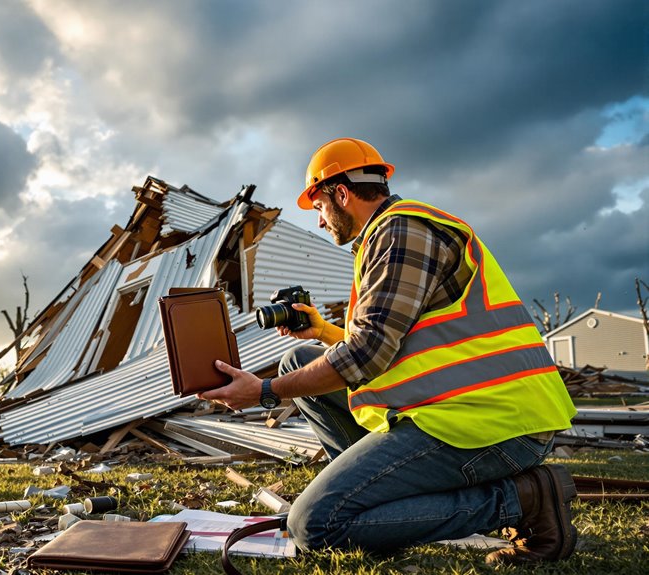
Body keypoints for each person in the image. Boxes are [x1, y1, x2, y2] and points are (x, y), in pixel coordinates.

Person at [198, 138, 578, 565]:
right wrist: (323, 331)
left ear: (341, 194)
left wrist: (264, 391)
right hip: (458, 409)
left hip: (494, 424)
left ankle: (520, 500)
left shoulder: (402, 232)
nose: (321, 223)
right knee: (298, 362)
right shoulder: (391, 235)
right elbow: (397, 345)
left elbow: (366, 355)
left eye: (319, 207)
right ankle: (372, 502)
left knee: (314, 526)